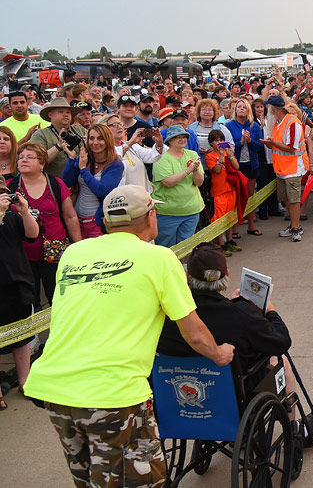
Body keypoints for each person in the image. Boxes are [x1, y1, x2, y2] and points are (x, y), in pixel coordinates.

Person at [23, 185, 234, 488]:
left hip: (54, 389)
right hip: (113, 394)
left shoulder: (74, 253)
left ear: (106, 221)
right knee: (142, 481)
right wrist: (219, 354)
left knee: (90, 479)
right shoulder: (159, 258)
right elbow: (194, 333)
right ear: (151, 216)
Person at [157, 242, 294, 399]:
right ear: (226, 275)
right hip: (233, 395)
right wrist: (270, 311)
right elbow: (282, 341)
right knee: (281, 359)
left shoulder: (168, 314)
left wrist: (228, 302)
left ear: (187, 277)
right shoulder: (240, 313)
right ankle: (292, 415)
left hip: (175, 394)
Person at [7, 141, 82, 306]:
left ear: (42, 163)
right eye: (21, 157)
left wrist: (78, 246)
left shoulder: (56, 184)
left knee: (59, 299)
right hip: (23, 256)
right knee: (30, 302)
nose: (23, 160)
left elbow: (70, 216)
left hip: (55, 252)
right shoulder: (10, 187)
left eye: (30, 157)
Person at [0, 184, 40, 410]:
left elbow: (32, 235)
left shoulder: (12, 216)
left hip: (18, 282)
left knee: (22, 336)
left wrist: (24, 211)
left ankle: (25, 382)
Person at [61, 124, 125, 239]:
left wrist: (83, 169)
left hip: (97, 222)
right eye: (91, 138)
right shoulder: (84, 159)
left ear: (107, 140)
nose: (95, 142)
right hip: (77, 220)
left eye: (100, 138)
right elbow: (67, 183)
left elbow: (101, 190)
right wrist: (72, 159)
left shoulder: (116, 165)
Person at [262, 96, 309, 241]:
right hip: (282, 169)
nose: (267, 111)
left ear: (273, 109)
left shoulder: (292, 123)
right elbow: (278, 145)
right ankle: (293, 225)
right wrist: (270, 144)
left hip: (293, 169)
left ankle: (296, 228)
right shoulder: (277, 123)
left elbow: (291, 148)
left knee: (293, 200)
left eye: (268, 108)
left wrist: (272, 143)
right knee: (286, 199)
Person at [152, 125, 206, 247]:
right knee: (167, 247)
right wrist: (188, 171)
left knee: (186, 247)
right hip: (168, 213)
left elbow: (199, 182)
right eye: (178, 137)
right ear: (170, 140)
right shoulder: (161, 157)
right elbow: (167, 182)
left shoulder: (192, 154)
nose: (182, 139)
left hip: (191, 211)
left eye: (184, 137)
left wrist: (195, 171)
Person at [224, 99, 263, 236]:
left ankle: (251, 225)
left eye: (244, 107)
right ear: (235, 110)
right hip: (235, 166)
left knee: (250, 195)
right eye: (239, 107)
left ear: (248, 110)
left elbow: (261, 146)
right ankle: (235, 228)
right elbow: (224, 145)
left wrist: (250, 141)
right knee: (236, 196)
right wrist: (239, 143)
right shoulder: (228, 125)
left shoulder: (254, 125)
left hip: (251, 165)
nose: (241, 109)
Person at [102, 114, 163, 193]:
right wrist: (131, 141)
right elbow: (116, 157)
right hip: (121, 196)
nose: (119, 127)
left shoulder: (133, 146)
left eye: (120, 124)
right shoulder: (104, 149)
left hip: (140, 195)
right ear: (104, 129)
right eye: (114, 125)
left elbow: (151, 156)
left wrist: (159, 143)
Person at [31, 97, 85, 180]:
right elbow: (36, 161)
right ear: (50, 115)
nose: (65, 115)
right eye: (61, 112)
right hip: (55, 184)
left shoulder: (81, 131)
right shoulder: (41, 134)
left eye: (68, 112)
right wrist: (58, 146)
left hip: (82, 183)